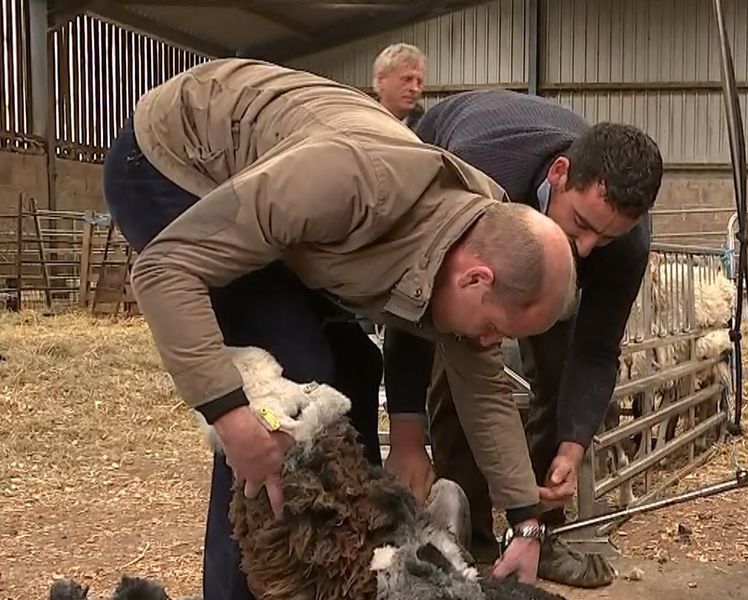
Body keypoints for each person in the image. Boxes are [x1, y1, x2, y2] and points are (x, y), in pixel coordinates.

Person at [101, 59, 578, 600]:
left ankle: (355, 573)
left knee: (355, 367)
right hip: (172, 161)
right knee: (291, 388)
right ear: (476, 278)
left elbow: (483, 384)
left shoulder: (482, 223)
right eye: (495, 327)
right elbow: (166, 269)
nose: (490, 341)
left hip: (276, 183)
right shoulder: (352, 184)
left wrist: (525, 523)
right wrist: (232, 417)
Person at [381, 89, 664, 588]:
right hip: (464, 185)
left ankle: (535, 531)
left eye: (608, 237)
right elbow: (416, 303)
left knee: (559, 371)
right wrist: (406, 432)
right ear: (559, 174)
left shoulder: (620, 244)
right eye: (580, 223)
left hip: (533, 247)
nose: (587, 248)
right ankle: (471, 542)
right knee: (462, 359)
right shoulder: (471, 178)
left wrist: (574, 445)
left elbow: (597, 351)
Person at [373, 42, 426, 128]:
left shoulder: (429, 130)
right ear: (381, 80)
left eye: (419, 82)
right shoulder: (358, 126)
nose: (415, 88)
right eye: (407, 79)